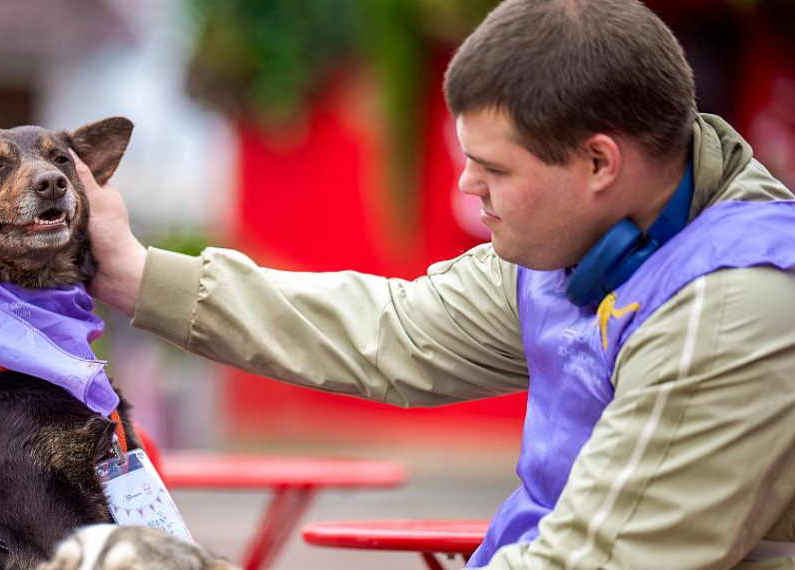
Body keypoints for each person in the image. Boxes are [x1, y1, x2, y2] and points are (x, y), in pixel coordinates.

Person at [74, 0, 795, 567]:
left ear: (599, 164)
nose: (465, 183)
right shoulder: (585, 244)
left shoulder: (732, 307)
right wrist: (136, 274)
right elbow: (392, 331)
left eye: (496, 168)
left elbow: (589, 560)